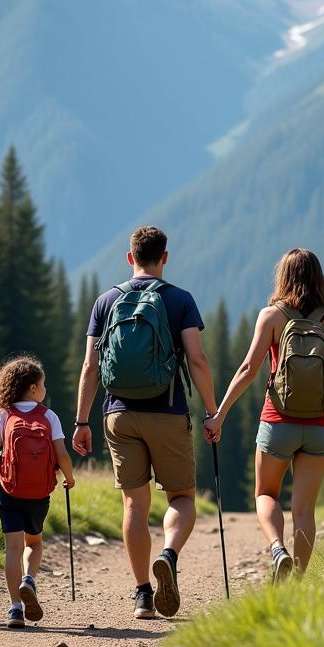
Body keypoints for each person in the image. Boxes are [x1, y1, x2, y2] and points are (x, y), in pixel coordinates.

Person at [72, 225, 218, 620]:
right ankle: (168, 554)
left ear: (129, 257)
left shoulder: (106, 301)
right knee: (182, 497)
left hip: (118, 414)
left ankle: (141, 595)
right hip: (167, 412)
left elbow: (89, 367)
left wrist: (81, 421)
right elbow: (197, 360)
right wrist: (211, 411)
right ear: (165, 257)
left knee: (135, 503)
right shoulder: (180, 300)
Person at [205, 249, 324, 581]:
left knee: (266, 494)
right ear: (318, 276)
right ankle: (296, 583)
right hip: (321, 425)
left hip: (277, 422)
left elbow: (247, 370)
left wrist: (219, 415)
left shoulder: (271, 316)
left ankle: (277, 549)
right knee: (304, 511)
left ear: (283, 276)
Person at [0, 355, 75, 628]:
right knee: (34, 542)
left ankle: (15, 608)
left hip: (9, 489)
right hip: (39, 492)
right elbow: (62, 453)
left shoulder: (2, 415)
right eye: (43, 384)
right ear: (32, 388)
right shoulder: (48, 416)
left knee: (12, 548)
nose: (45, 389)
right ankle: (29, 579)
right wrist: (69, 477)